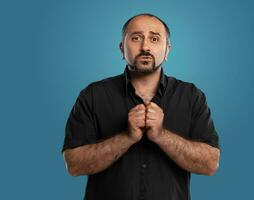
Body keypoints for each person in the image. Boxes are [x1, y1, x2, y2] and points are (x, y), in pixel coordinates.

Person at [62, 13, 220, 200]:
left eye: (154, 39)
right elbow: (74, 165)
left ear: (167, 50)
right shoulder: (93, 95)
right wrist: (126, 137)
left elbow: (210, 164)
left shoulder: (191, 96)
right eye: (136, 38)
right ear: (122, 48)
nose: (145, 47)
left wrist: (162, 136)